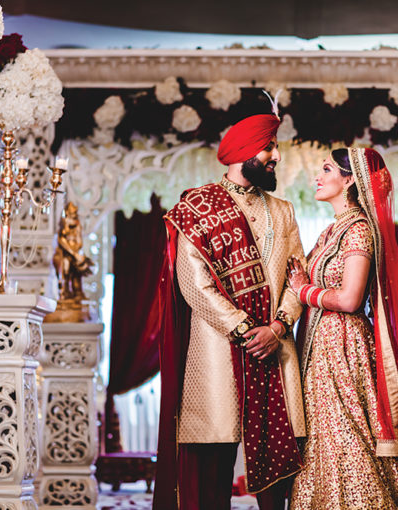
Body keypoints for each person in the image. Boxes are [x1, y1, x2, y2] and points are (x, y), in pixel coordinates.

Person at [152, 111, 307, 510]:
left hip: (275, 347)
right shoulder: (198, 206)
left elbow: (298, 278)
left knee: (281, 464)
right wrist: (244, 330)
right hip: (218, 350)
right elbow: (194, 283)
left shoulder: (283, 210)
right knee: (212, 463)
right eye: (269, 147)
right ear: (244, 151)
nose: (275, 156)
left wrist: (276, 327)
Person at [287, 148, 398, 510]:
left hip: (343, 346)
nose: (318, 176)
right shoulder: (332, 230)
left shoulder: (359, 230)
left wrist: (303, 290)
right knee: (323, 440)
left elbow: (350, 299)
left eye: (327, 169)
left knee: (347, 436)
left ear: (349, 180)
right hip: (319, 347)